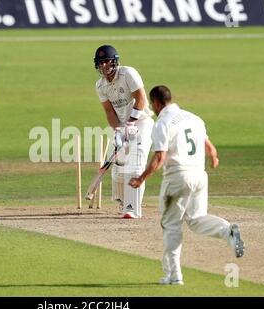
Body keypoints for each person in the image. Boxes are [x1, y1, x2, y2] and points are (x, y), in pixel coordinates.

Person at [129, 85, 245, 285]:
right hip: (199, 175)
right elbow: (209, 146)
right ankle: (228, 231)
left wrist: (141, 179)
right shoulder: (194, 118)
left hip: (178, 177)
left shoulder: (162, 123)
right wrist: (213, 158)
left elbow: (160, 157)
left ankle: (174, 276)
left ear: (156, 103)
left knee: (171, 226)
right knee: (197, 219)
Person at [94, 45, 154, 219]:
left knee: (135, 163)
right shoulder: (100, 85)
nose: (104, 66)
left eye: (107, 62)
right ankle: (123, 202)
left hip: (141, 122)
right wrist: (118, 130)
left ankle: (132, 208)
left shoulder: (128, 73)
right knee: (120, 168)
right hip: (122, 126)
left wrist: (131, 122)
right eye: (100, 63)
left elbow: (141, 99)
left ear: (114, 61)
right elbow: (109, 111)